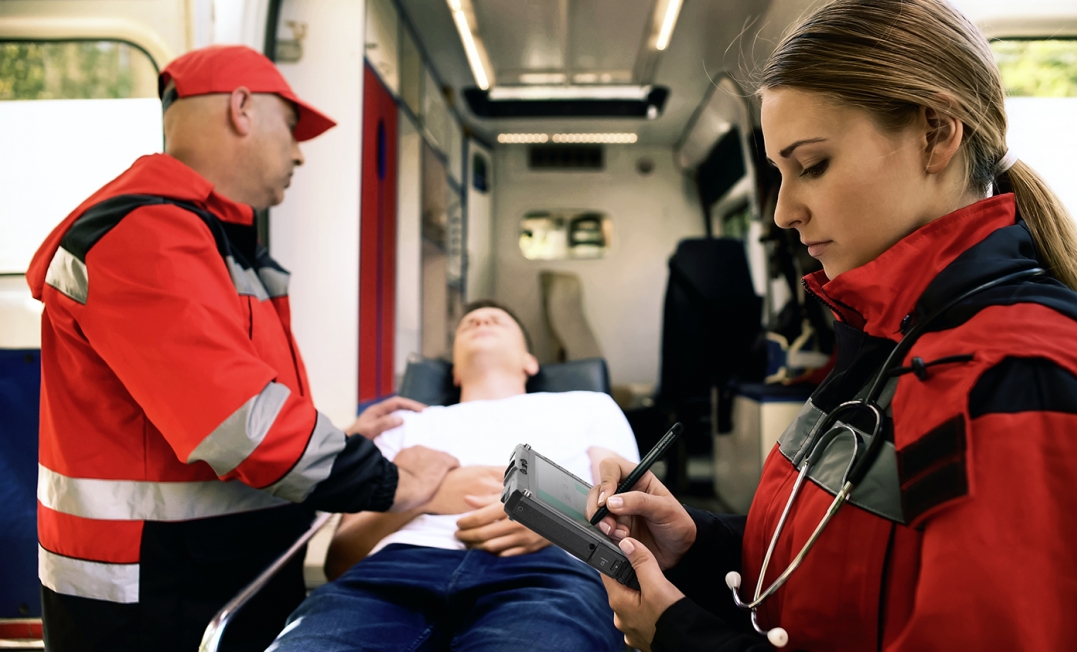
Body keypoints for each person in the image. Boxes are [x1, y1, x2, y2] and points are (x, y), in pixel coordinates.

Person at [585, 1, 1077, 650]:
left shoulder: (1016, 384)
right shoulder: (892, 349)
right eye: (778, 174)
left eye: (812, 165)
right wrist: (695, 543)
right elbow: (836, 576)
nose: (783, 212)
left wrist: (681, 636)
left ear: (937, 133)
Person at [27, 45, 459, 652]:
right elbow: (241, 425)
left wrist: (338, 436)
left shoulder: (211, 239)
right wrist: (388, 483)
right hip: (150, 595)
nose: (300, 152)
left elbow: (243, 404)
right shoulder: (143, 236)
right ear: (241, 108)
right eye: (292, 127)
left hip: (215, 566)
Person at [266, 300, 640, 652]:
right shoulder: (402, 425)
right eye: (469, 323)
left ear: (530, 361)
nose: (481, 321)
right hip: (390, 573)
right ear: (455, 372)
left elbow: (633, 523)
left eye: (497, 319)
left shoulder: (588, 406)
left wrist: (559, 523)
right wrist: (423, 496)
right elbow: (340, 561)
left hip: (547, 572)